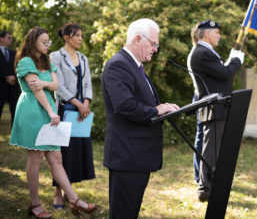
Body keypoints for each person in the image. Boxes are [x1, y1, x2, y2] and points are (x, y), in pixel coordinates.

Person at [9, 27, 96, 218]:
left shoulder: (48, 60)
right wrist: (50, 111)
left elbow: (54, 85)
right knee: (36, 157)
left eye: (49, 41)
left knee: (57, 158)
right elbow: (36, 90)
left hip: (50, 111)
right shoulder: (25, 61)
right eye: (44, 42)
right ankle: (35, 203)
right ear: (33, 42)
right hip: (33, 111)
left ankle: (73, 199)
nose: (48, 45)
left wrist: (45, 83)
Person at [102, 18, 179, 218]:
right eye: (153, 44)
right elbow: (124, 106)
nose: (155, 49)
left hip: (136, 156)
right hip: (127, 156)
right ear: (138, 39)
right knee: (123, 213)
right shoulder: (118, 65)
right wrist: (157, 110)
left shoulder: (134, 66)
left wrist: (163, 109)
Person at [190, 20, 245, 202]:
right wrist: (236, 60)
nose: (219, 36)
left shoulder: (205, 51)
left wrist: (230, 62)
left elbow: (220, 74)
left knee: (214, 149)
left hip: (218, 107)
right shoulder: (202, 52)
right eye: (216, 32)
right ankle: (205, 188)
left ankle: (212, 185)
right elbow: (223, 73)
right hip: (214, 108)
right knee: (210, 150)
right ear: (206, 33)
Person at [49, 23, 95, 209]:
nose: (80, 39)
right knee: (61, 154)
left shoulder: (83, 58)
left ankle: (69, 192)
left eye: (81, 35)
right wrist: (77, 104)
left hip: (80, 111)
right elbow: (58, 86)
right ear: (67, 37)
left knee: (74, 153)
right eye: (77, 35)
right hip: (63, 110)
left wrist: (86, 104)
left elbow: (87, 84)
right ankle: (57, 193)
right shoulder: (55, 56)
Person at [186, 23, 204, 184]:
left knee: (203, 137)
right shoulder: (197, 53)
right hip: (200, 97)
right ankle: (199, 176)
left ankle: (201, 175)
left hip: (200, 97)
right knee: (201, 138)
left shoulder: (200, 52)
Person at [0, 31, 20, 125]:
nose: (11, 39)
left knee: (16, 115)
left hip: (14, 88)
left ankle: (14, 137)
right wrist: (5, 78)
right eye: (9, 38)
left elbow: (19, 68)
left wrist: (15, 78)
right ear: (1, 38)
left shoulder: (14, 53)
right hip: (1, 87)